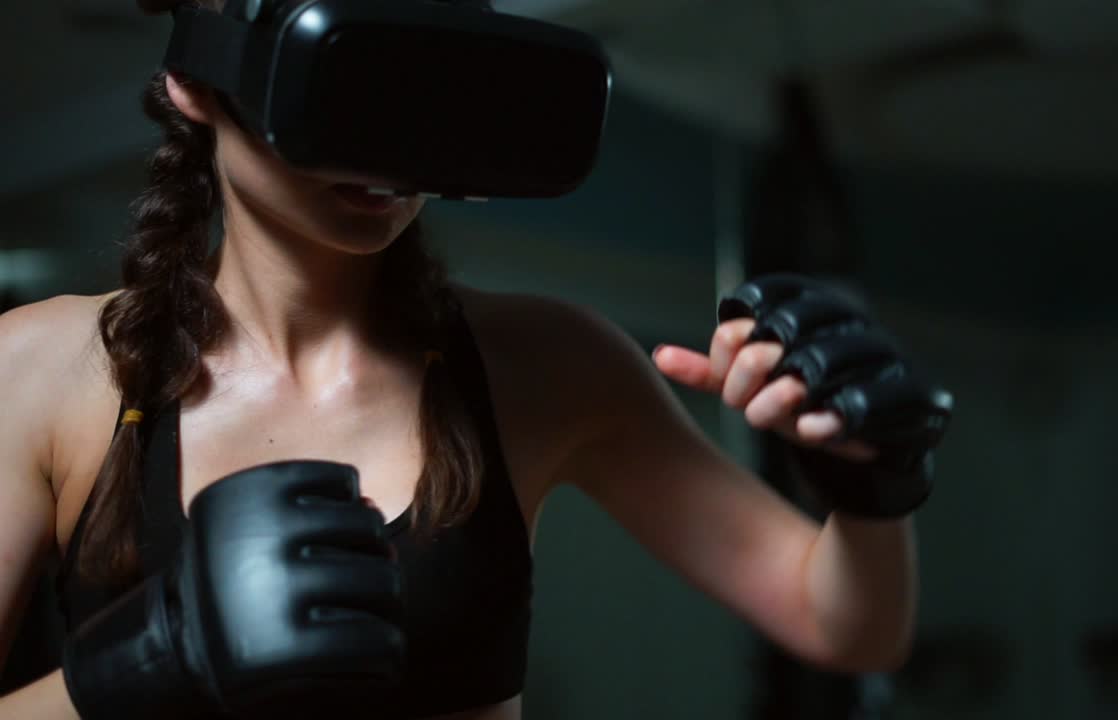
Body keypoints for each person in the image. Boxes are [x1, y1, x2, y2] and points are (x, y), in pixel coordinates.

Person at [0, 1, 950, 718]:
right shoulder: (49, 371)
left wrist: (868, 483)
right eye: (345, 78)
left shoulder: (546, 363)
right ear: (196, 82)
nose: (385, 142)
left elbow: (850, 626)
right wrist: (147, 661)